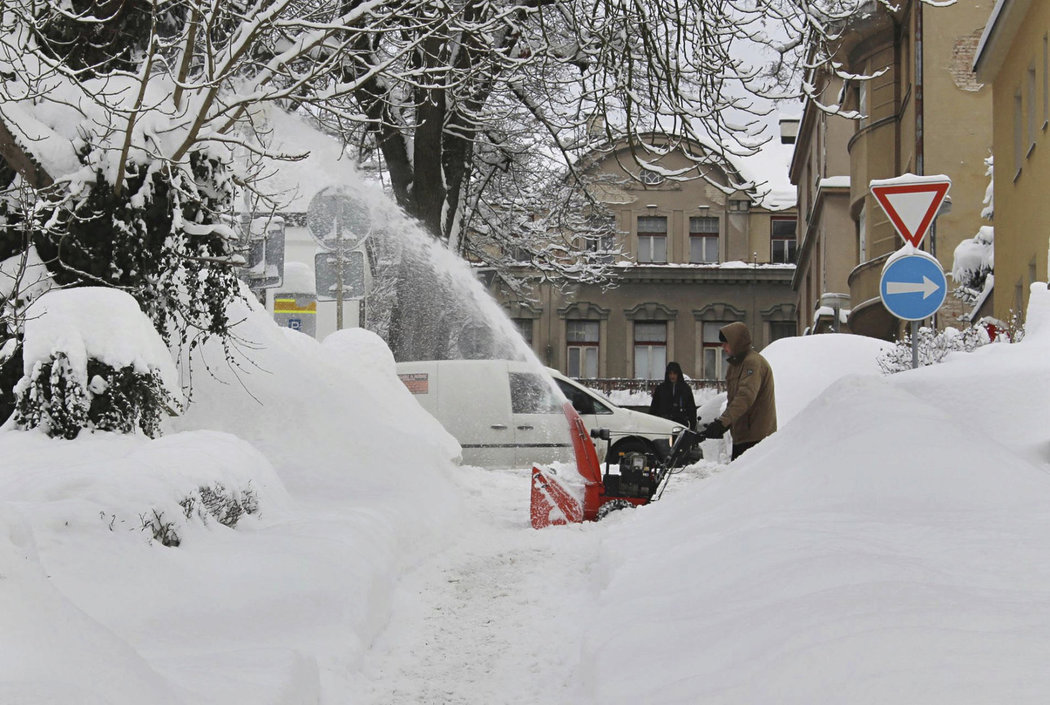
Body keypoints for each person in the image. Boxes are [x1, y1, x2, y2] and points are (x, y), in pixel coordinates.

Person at [702, 322, 776, 460]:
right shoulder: (735, 366)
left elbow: (745, 397)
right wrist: (723, 423)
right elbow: (733, 401)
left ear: (737, 342)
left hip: (756, 437)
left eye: (726, 343)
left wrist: (722, 422)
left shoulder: (752, 363)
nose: (723, 346)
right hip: (742, 436)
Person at [649, 361, 697, 430]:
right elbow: (654, 407)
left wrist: (692, 426)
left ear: (678, 374)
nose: (672, 376)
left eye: (674, 374)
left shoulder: (685, 389)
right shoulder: (661, 389)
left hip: (681, 425)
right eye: (670, 374)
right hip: (663, 424)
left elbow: (691, 409)